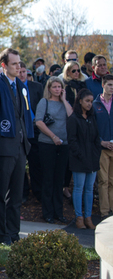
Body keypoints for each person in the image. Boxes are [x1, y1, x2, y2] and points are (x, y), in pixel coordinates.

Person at [0, 48, 34, 246]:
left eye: (20, 63)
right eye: (14, 64)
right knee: (0, 192)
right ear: (4, 65)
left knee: (16, 194)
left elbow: (23, 115)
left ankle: (14, 233)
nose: (19, 67)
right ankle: (2, 234)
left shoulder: (21, 86)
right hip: (3, 148)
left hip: (20, 147)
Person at [34, 77, 72, 223]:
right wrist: (53, 136)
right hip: (47, 144)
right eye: (54, 87)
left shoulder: (64, 103)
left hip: (63, 145)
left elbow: (71, 116)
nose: (57, 89)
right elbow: (39, 122)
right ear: (49, 88)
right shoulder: (44, 102)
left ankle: (58, 212)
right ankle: (47, 212)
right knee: (48, 179)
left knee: (60, 180)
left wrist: (64, 99)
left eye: (59, 87)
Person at [67, 89, 100, 229]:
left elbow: (96, 138)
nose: (89, 104)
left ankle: (88, 217)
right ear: (80, 101)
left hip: (92, 159)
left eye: (91, 102)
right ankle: (79, 217)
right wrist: (81, 155)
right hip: (79, 159)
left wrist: (96, 153)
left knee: (89, 189)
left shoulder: (92, 118)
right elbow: (72, 140)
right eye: (87, 101)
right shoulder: (73, 118)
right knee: (79, 188)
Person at [17, 62, 44, 203]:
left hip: (34, 129)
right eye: (19, 71)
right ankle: (23, 193)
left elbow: (42, 106)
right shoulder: (13, 88)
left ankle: (38, 192)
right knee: (21, 164)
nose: (22, 74)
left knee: (35, 163)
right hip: (20, 130)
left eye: (24, 72)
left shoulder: (36, 87)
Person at [62, 60, 87, 199]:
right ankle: (65, 186)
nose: (77, 73)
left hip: (84, 123)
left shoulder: (83, 85)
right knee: (69, 156)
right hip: (71, 122)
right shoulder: (66, 87)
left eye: (78, 70)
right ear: (68, 72)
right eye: (74, 71)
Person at [93, 74, 113, 219]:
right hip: (102, 148)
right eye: (110, 85)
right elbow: (93, 129)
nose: (112, 88)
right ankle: (105, 212)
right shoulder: (95, 105)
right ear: (103, 85)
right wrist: (101, 141)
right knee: (103, 181)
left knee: (112, 181)